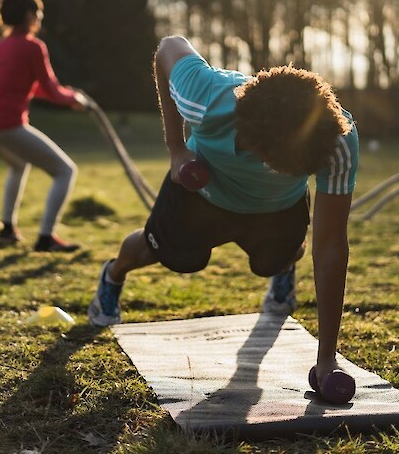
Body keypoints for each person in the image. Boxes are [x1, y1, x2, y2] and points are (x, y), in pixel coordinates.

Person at [88, 35, 359, 391]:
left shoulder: (335, 140)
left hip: (277, 209)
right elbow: (169, 48)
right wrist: (176, 149)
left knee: (275, 260)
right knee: (165, 255)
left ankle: (282, 269)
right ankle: (112, 276)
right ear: (252, 141)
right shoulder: (207, 96)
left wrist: (327, 359)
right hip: (203, 194)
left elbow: (330, 247)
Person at [0, 0, 88, 252]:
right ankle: (46, 237)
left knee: (18, 165)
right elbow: (51, 90)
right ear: (27, 15)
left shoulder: (3, 45)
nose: (40, 17)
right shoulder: (33, 47)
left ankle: (7, 230)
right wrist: (75, 99)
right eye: (37, 12)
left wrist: (67, 95)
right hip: (6, 125)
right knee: (65, 170)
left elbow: (33, 88)